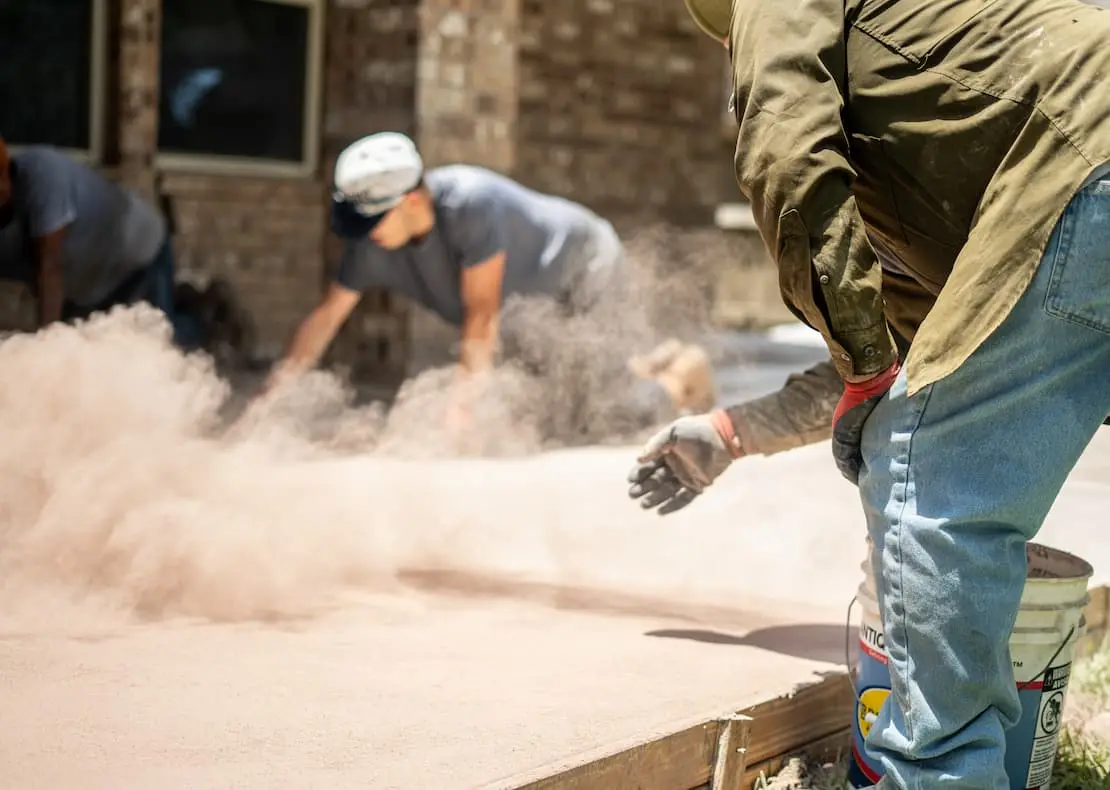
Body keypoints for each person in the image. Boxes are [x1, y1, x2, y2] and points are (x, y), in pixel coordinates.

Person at [628, 1, 1110, 788]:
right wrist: (731, 429)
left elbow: (787, 155)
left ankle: (933, 773)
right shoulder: (949, 115)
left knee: (932, 484)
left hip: (1087, 162)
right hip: (1087, 173)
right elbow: (915, 349)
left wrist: (867, 372)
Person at [262, 131, 714, 443]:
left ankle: (679, 378)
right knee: (556, 417)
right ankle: (646, 362)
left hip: (584, 267)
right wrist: (268, 405)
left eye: (372, 218)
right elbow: (325, 320)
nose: (364, 233)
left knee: (611, 415)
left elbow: (482, 316)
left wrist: (460, 413)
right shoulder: (372, 242)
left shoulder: (470, 204)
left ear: (412, 200)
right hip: (528, 304)